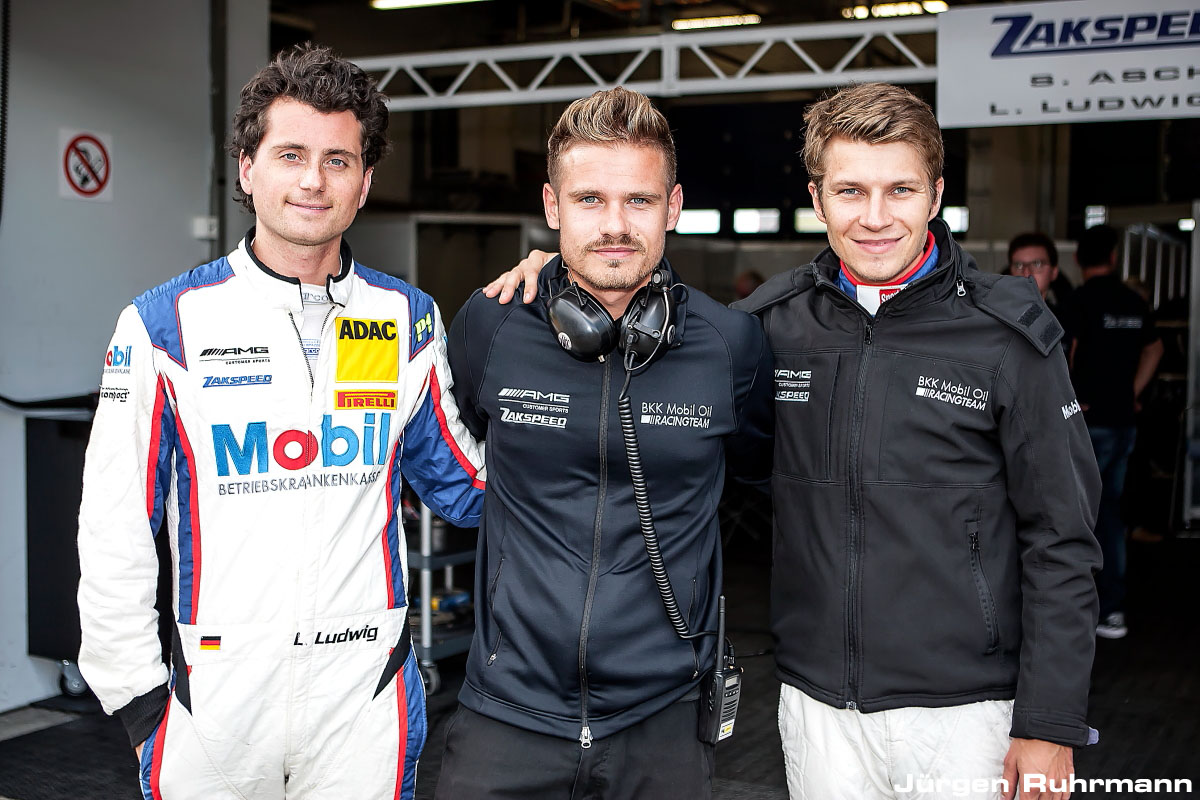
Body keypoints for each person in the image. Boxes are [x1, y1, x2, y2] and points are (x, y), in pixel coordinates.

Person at [489, 83, 1102, 800]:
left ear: (936, 195)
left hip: (968, 713)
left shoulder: (1009, 337)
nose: (875, 217)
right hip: (816, 707)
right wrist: (555, 276)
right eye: (850, 191)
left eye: (900, 190)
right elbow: (646, 328)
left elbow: (1063, 537)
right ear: (817, 199)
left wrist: (1049, 722)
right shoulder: (767, 324)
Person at [77, 43, 486, 800]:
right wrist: (137, 698)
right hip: (213, 700)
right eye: (291, 154)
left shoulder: (405, 317)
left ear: (364, 183)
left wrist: (553, 314)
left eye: (338, 160)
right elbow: (113, 526)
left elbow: (468, 488)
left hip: (362, 697)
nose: (312, 180)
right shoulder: (164, 325)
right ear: (248, 168)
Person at [433, 87, 773, 800]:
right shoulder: (492, 325)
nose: (614, 225)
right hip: (506, 714)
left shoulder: (731, 344)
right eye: (589, 200)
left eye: (638, 201)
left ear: (673, 207)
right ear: (552, 206)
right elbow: (454, 448)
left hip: (664, 720)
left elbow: (760, 473)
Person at [1064, 224, 1163, 640]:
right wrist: (1132, 391)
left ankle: (1078, 611)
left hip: (1087, 424)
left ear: (1077, 259)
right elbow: (1155, 348)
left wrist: (1068, 401)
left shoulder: (1078, 301)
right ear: (1114, 258)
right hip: (1123, 421)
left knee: (1074, 518)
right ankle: (1113, 609)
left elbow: (1063, 356)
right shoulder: (1133, 302)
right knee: (1110, 513)